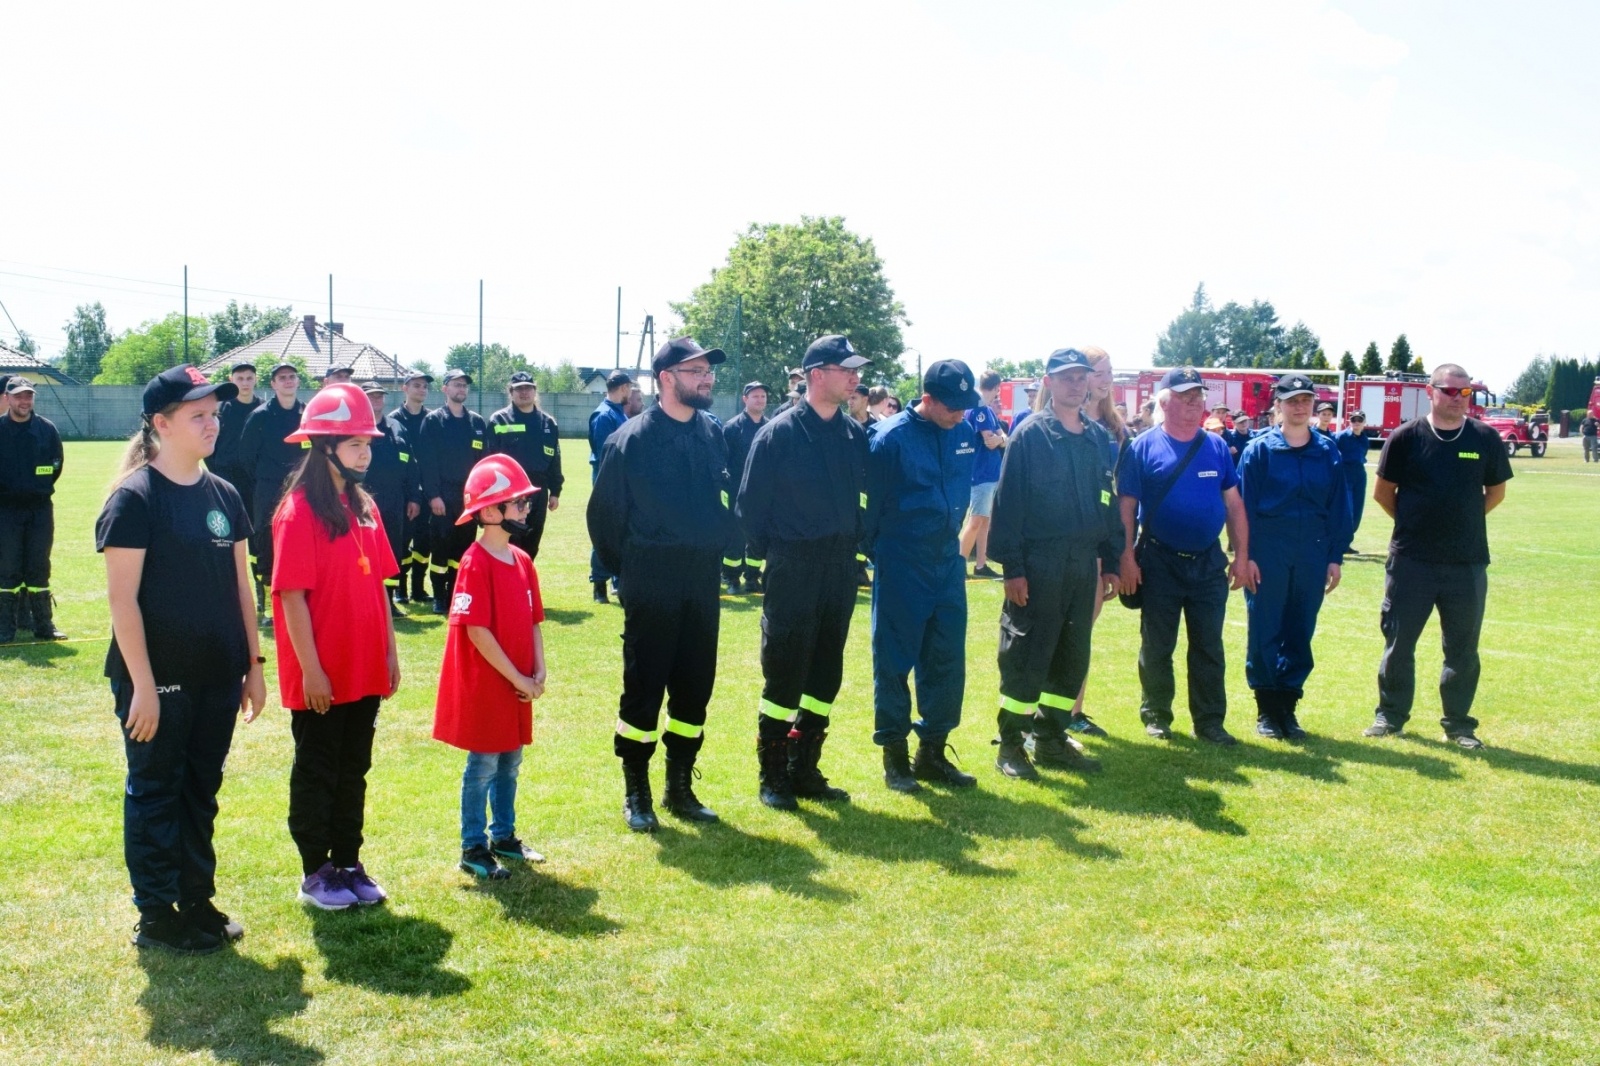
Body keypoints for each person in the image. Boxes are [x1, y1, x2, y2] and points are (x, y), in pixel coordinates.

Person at [97, 365, 266, 955]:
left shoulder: (223, 494)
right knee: (155, 790)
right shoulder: (134, 497)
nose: (212, 423)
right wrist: (142, 686)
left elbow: (241, 585)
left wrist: (254, 664)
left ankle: (196, 900)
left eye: (215, 413)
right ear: (160, 424)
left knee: (201, 788)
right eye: (198, 415)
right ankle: (156, 914)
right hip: (157, 682)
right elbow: (123, 602)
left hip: (218, 674)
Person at [588, 338, 734, 831]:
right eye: (695, 371)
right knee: (644, 688)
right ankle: (637, 790)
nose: (706, 378)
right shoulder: (630, 440)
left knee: (695, 688)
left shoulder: (711, 436)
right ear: (666, 378)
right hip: (650, 583)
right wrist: (629, 574)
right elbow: (605, 519)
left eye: (708, 371)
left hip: (700, 583)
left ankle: (680, 788)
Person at [271, 384, 401, 909]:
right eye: (354, 445)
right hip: (323, 673)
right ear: (323, 447)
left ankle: (348, 860)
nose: (365, 453)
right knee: (318, 768)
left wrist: (389, 654)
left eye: (367, 444)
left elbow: (379, 589)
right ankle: (316, 871)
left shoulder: (365, 507)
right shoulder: (298, 511)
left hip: (364, 668)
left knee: (354, 769)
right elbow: (291, 599)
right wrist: (313, 672)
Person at [738, 334, 869, 810]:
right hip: (793, 566)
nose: (855, 377)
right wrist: (782, 553)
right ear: (817, 375)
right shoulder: (779, 434)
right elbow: (750, 508)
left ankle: (805, 766)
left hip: (838, 569)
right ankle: (773, 774)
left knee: (825, 672)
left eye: (857, 370)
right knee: (785, 670)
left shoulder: (854, 435)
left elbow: (863, 501)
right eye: (846, 369)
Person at [988, 349, 1121, 778]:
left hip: (1083, 565)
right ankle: (1011, 746)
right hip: (1039, 563)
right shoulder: (1030, 435)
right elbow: (1007, 505)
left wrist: (1112, 562)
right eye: (1066, 377)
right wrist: (1012, 568)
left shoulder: (1098, 439)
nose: (1075, 384)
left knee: (1071, 656)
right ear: (1049, 381)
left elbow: (1109, 503)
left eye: (1081, 377)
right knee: (1027, 655)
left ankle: (1051, 739)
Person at [1364, 363, 1511, 749]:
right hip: (1411, 561)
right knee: (1399, 643)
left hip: (1466, 563)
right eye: (1450, 391)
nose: (1459, 399)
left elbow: (1495, 493)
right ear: (1431, 392)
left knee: (1462, 648)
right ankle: (1390, 717)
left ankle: (1459, 725)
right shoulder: (1406, 437)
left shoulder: (1484, 438)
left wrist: (1459, 523)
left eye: (1466, 393)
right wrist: (1416, 523)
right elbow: (1383, 493)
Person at [1117, 366, 1255, 745]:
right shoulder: (1142, 446)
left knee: (1209, 644)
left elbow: (1234, 505)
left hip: (1208, 562)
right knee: (1158, 644)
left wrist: (1242, 556)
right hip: (1159, 560)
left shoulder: (1215, 446)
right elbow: (1126, 508)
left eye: (1198, 396)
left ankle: (1210, 722)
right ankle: (1157, 714)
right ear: (1164, 402)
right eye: (1185, 396)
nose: (1195, 403)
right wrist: (1126, 558)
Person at [864, 360, 980, 792]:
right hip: (902, 560)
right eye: (952, 406)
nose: (960, 414)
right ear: (926, 399)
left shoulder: (964, 433)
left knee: (947, 659)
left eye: (965, 406)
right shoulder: (889, 438)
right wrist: (887, 555)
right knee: (894, 660)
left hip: (947, 560)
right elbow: (868, 511)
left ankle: (932, 752)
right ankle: (895, 757)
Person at [434, 454, 548, 879]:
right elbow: (477, 632)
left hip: (518, 682)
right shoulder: (473, 563)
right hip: (490, 685)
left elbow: (535, 620)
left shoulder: (522, 561)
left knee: (510, 763)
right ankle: (473, 846)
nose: (524, 508)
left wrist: (538, 671)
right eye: (517, 502)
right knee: (482, 765)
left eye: (523, 502)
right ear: (489, 511)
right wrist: (517, 676)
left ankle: (505, 836)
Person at [1238, 375, 1353, 740]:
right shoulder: (1260, 450)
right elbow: (1243, 507)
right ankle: (1266, 711)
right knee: (1265, 628)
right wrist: (1247, 555)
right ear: (1278, 406)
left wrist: (1334, 555)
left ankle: (1288, 708)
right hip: (1269, 549)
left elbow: (1339, 506)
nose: (1299, 407)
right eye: (1291, 401)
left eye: (1305, 400)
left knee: (1300, 629)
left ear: (1313, 405)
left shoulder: (1327, 450)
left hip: (1313, 551)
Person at [1059, 345, 1128, 738]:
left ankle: (1074, 710)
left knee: (1084, 628)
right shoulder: (1060, 422)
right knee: (1059, 628)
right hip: (1064, 543)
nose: (1105, 380)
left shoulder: (1116, 429)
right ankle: (1048, 713)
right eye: (1098, 372)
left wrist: (1117, 553)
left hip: (1101, 539)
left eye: (1108, 372)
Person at [236, 362, 306, 624]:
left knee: (300, 543)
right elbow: (246, 457)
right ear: (273, 385)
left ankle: (300, 599)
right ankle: (266, 607)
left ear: (297, 382)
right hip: (268, 489)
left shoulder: (306, 414)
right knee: (266, 544)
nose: (287, 381)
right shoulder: (260, 416)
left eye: (291, 377)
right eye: (281, 378)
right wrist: (269, 479)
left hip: (301, 491)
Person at [0, 377, 66, 642]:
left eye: (28, 396)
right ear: (7, 397)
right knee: (8, 569)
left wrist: (36, 486)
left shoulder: (46, 430)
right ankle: (5, 628)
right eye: (18, 396)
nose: (24, 401)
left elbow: (56, 465)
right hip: (6, 511)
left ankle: (44, 626)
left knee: (39, 567)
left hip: (39, 510)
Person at [418, 369, 489, 614]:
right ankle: (439, 595)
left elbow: (483, 463)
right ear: (445, 389)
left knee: (463, 548)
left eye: (464, 386)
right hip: (442, 495)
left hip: (468, 498)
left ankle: (455, 593)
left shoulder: (477, 423)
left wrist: (480, 499)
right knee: (441, 546)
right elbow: (427, 462)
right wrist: (433, 495)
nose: (461, 389)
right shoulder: (434, 421)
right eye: (456, 385)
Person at [358, 382, 421, 617]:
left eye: (379, 396)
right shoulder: (355, 428)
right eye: (371, 396)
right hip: (363, 499)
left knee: (392, 550)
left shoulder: (397, 427)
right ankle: (366, 598)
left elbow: (411, 465)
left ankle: (389, 600)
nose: (376, 400)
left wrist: (414, 497)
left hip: (395, 499)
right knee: (363, 550)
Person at [487, 371, 564, 560]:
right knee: (510, 541)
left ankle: (524, 583)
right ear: (511, 392)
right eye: (518, 389)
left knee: (532, 541)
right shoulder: (499, 420)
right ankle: (508, 584)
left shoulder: (548, 423)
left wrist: (555, 491)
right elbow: (489, 460)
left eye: (528, 388)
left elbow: (555, 459)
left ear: (534, 391)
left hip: (539, 491)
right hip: (509, 493)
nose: (524, 393)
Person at [587, 371, 633, 604]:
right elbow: (605, 454)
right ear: (623, 388)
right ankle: (599, 585)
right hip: (607, 481)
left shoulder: (618, 414)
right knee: (605, 530)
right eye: (630, 389)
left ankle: (618, 581)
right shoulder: (604, 416)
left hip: (622, 481)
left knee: (622, 530)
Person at [721, 381, 769, 594]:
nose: (760, 400)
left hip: (762, 493)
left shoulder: (771, 427)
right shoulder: (732, 428)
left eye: (763, 396)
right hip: (736, 491)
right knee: (735, 537)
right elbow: (723, 461)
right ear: (745, 399)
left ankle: (752, 577)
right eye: (755, 396)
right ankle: (731, 578)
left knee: (758, 536)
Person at [958, 370, 1008, 580]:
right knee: (976, 520)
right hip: (981, 474)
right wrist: (1001, 438)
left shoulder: (985, 409)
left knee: (984, 521)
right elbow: (991, 440)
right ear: (997, 388)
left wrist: (1001, 438)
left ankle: (980, 564)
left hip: (987, 473)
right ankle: (958, 564)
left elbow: (1003, 437)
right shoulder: (979, 408)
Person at [390, 371, 433, 604]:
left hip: (428, 491)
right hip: (405, 492)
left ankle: (418, 588)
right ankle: (400, 588)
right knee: (402, 540)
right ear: (405, 388)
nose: (421, 390)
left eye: (425, 386)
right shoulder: (395, 420)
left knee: (424, 542)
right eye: (416, 385)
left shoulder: (432, 419)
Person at [210, 362, 262, 513]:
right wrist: (217, 472)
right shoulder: (220, 410)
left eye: (249, 378)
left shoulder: (264, 410)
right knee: (227, 529)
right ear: (231, 379)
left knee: (255, 528)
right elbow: (210, 445)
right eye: (240, 378)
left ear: (255, 379)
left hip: (254, 480)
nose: (245, 383)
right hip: (226, 478)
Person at [1333, 410, 1370, 544]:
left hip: (1359, 474)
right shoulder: (1341, 437)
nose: (1356, 423)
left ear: (1364, 423)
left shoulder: (1364, 439)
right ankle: (1340, 541)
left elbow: (1363, 455)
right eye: (1353, 420)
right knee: (1347, 509)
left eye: (1359, 420)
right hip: (1345, 473)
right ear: (1349, 422)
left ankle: (1347, 541)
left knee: (1357, 509)